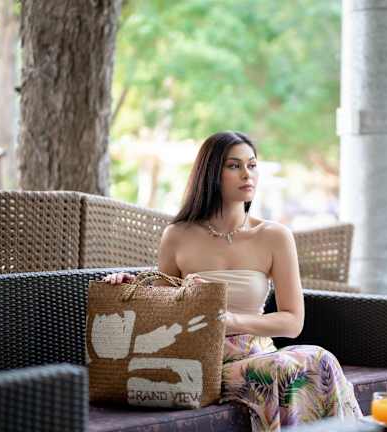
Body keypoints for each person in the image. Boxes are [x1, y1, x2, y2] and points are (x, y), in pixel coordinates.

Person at [103, 131, 362, 431]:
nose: (247, 174)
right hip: (204, 365)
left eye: (252, 165)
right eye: (234, 166)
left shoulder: (274, 236)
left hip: (258, 354)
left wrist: (231, 320)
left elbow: (293, 322)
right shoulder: (177, 235)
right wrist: (130, 287)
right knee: (279, 370)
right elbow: (164, 314)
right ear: (212, 173)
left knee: (319, 359)